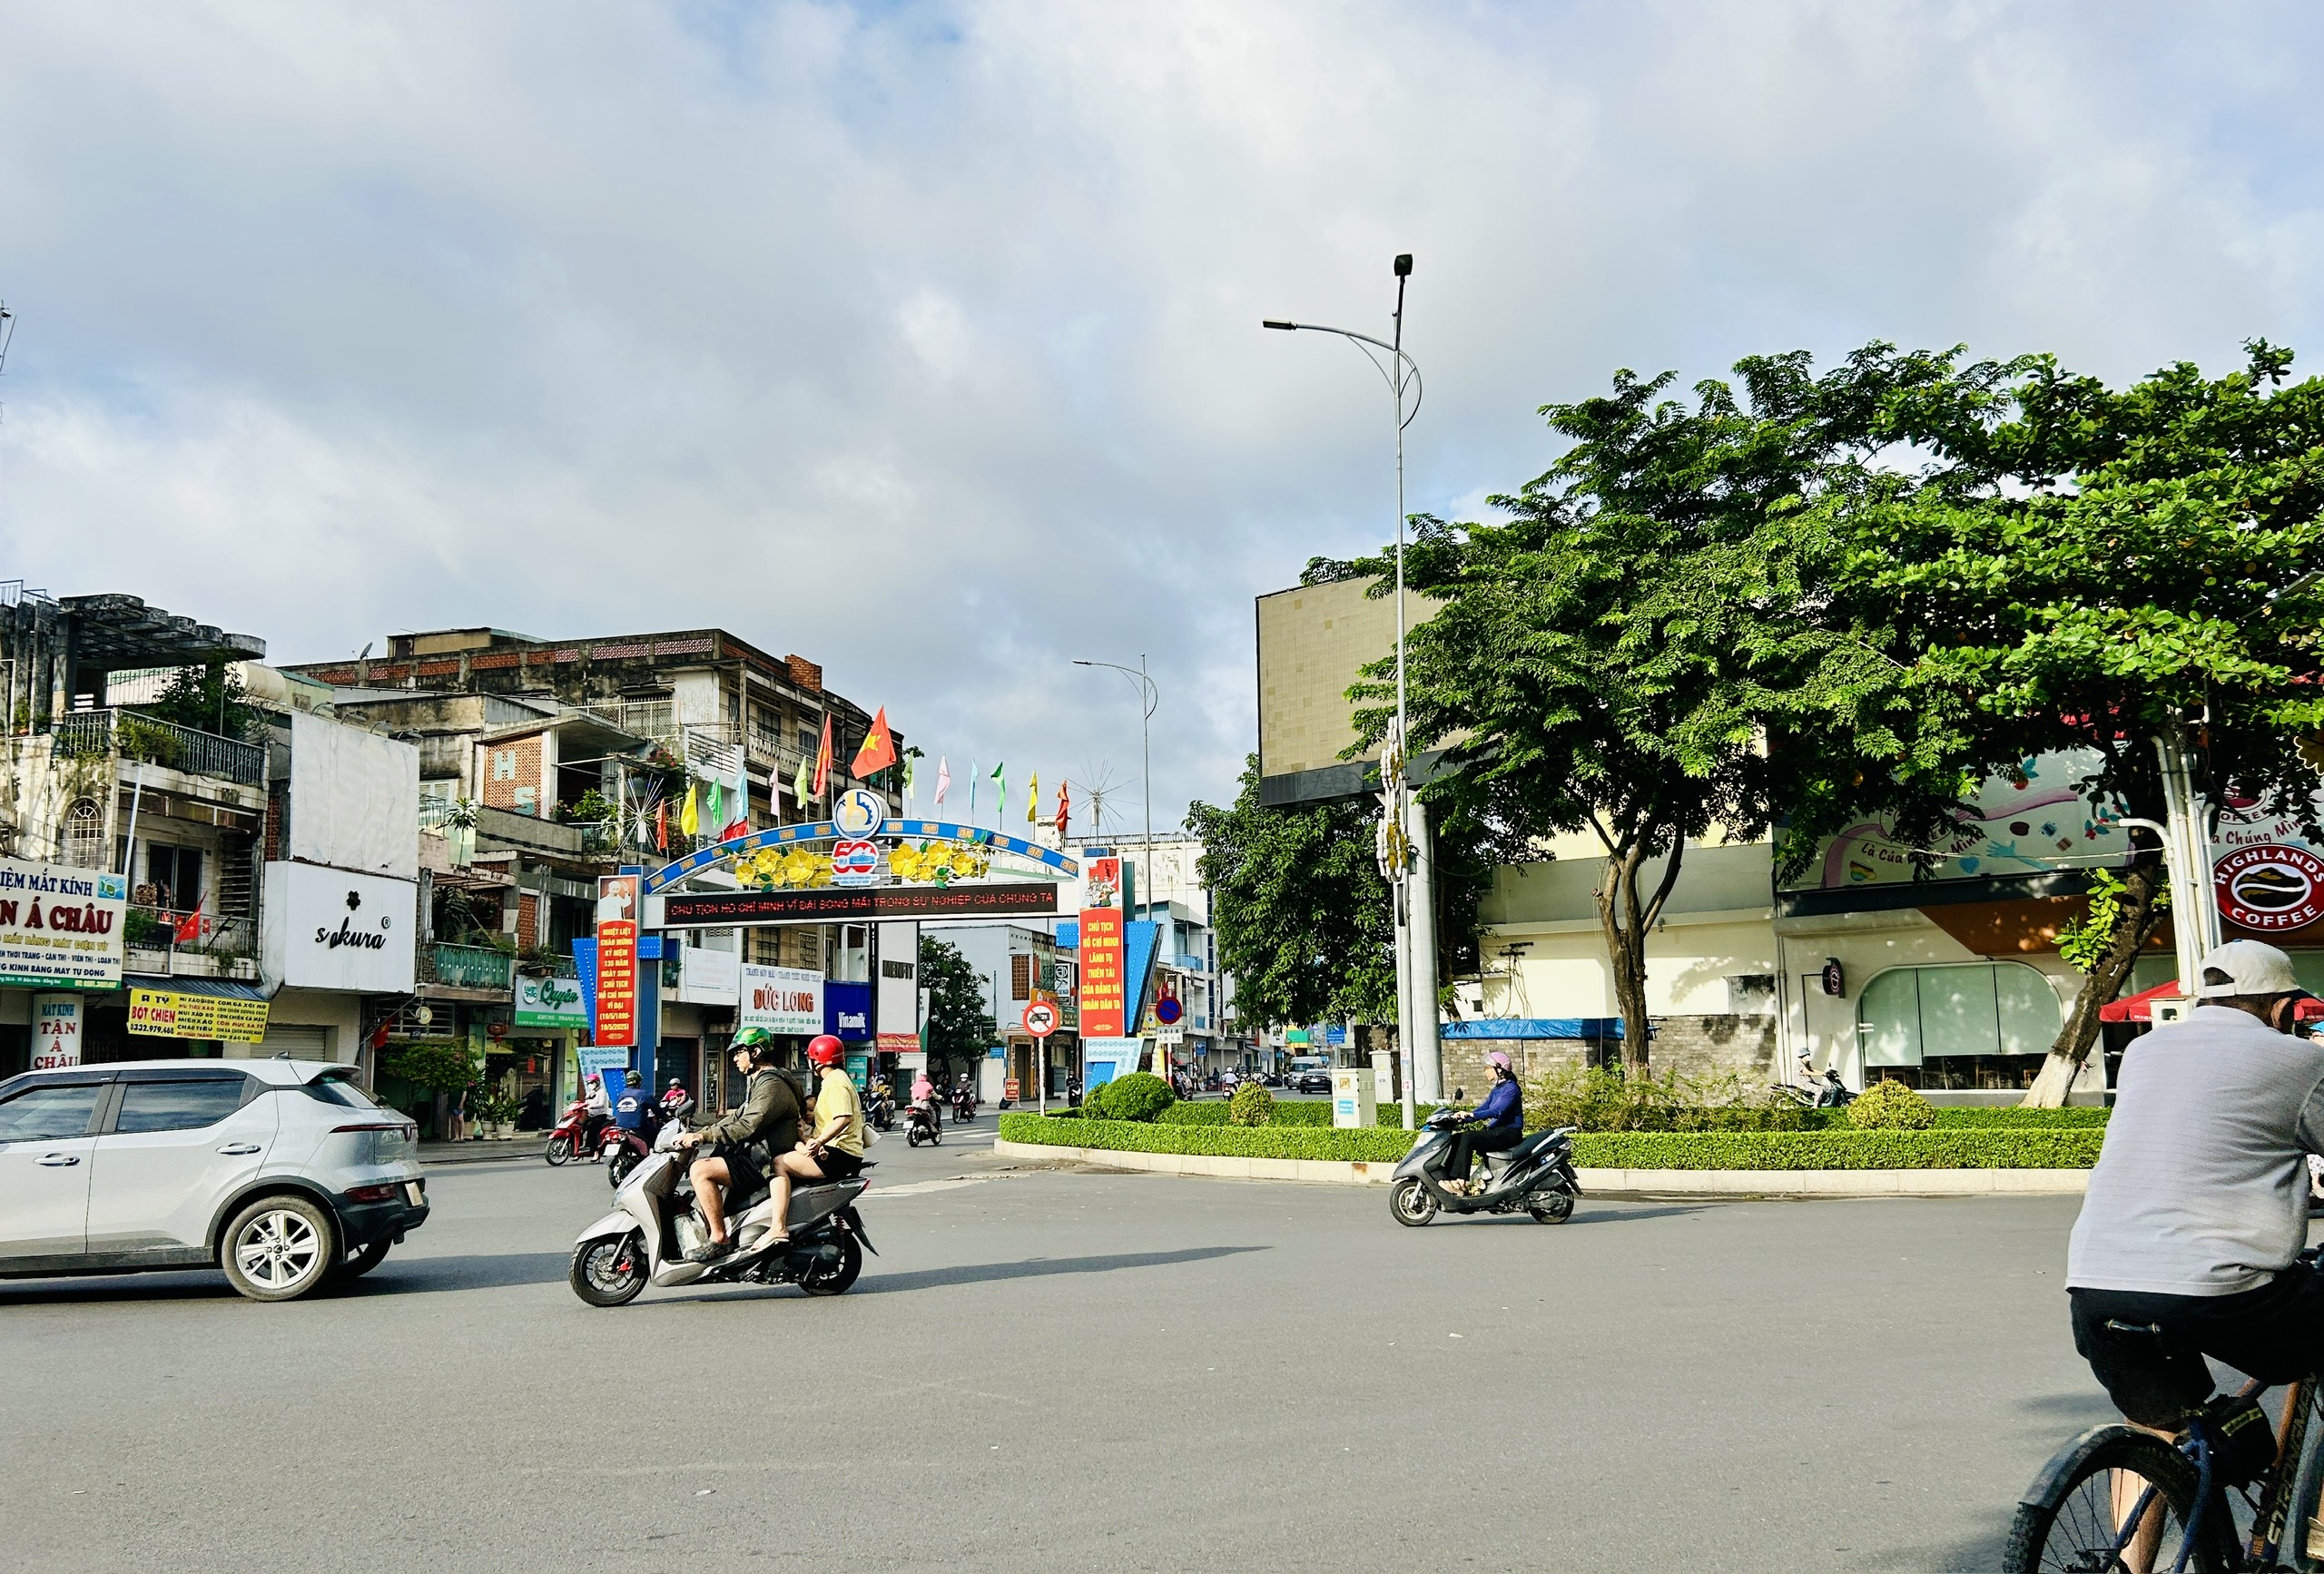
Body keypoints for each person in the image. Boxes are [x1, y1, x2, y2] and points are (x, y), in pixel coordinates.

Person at [2065, 940, 2324, 1442]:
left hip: (2096, 1283)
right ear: (2281, 1007)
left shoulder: (2142, 1051)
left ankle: (2142, 1506)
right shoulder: (2298, 1059)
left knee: (2152, 1428)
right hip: (2217, 1292)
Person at [675, 1029, 803, 1262]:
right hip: (756, 1154)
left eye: (739, 1052)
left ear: (755, 1052)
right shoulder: (763, 1081)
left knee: (700, 1170)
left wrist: (703, 1138)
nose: (734, 1058)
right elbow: (735, 1118)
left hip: (762, 1160)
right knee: (711, 1161)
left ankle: (719, 1239)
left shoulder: (771, 1084)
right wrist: (699, 1131)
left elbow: (747, 1125)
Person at [768, 1036, 866, 1246]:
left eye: (811, 1058)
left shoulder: (835, 1082)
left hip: (841, 1154)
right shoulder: (838, 1079)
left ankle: (778, 1227)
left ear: (819, 1060)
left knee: (778, 1163)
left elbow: (844, 1117)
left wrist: (819, 1141)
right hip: (840, 1151)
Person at [1444, 1051, 1523, 1195]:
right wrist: (1463, 1118)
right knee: (1456, 1138)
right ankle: (1451, 1178)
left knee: (1468, 1138)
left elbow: (1497, 1111)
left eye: (1488, 1068)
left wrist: (1472, 1115)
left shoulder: (1511, 1089)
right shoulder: (1497, 1089)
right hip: (1497, 1132)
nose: (1485, 1071)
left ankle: (1461, 1182)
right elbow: (1484, 1108)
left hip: (1509, 1133)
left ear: (1499, 1070)